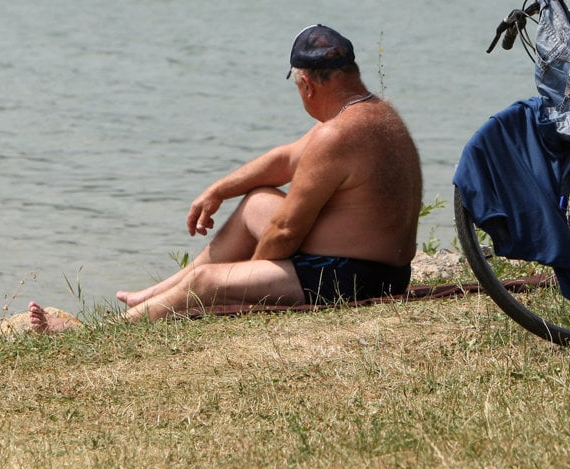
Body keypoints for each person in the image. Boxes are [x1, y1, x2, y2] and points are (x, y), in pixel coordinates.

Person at [29, 24, 423, 334]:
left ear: (306, 84)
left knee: (205, 282)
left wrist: (242, 279)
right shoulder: (376, 115)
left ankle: (100, 333)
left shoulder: (334, 135)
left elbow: (286, 232)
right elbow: (286, 157)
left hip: (351, 281)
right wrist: (219, 189)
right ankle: (155, 295)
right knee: (256, 201)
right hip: (383, 269)